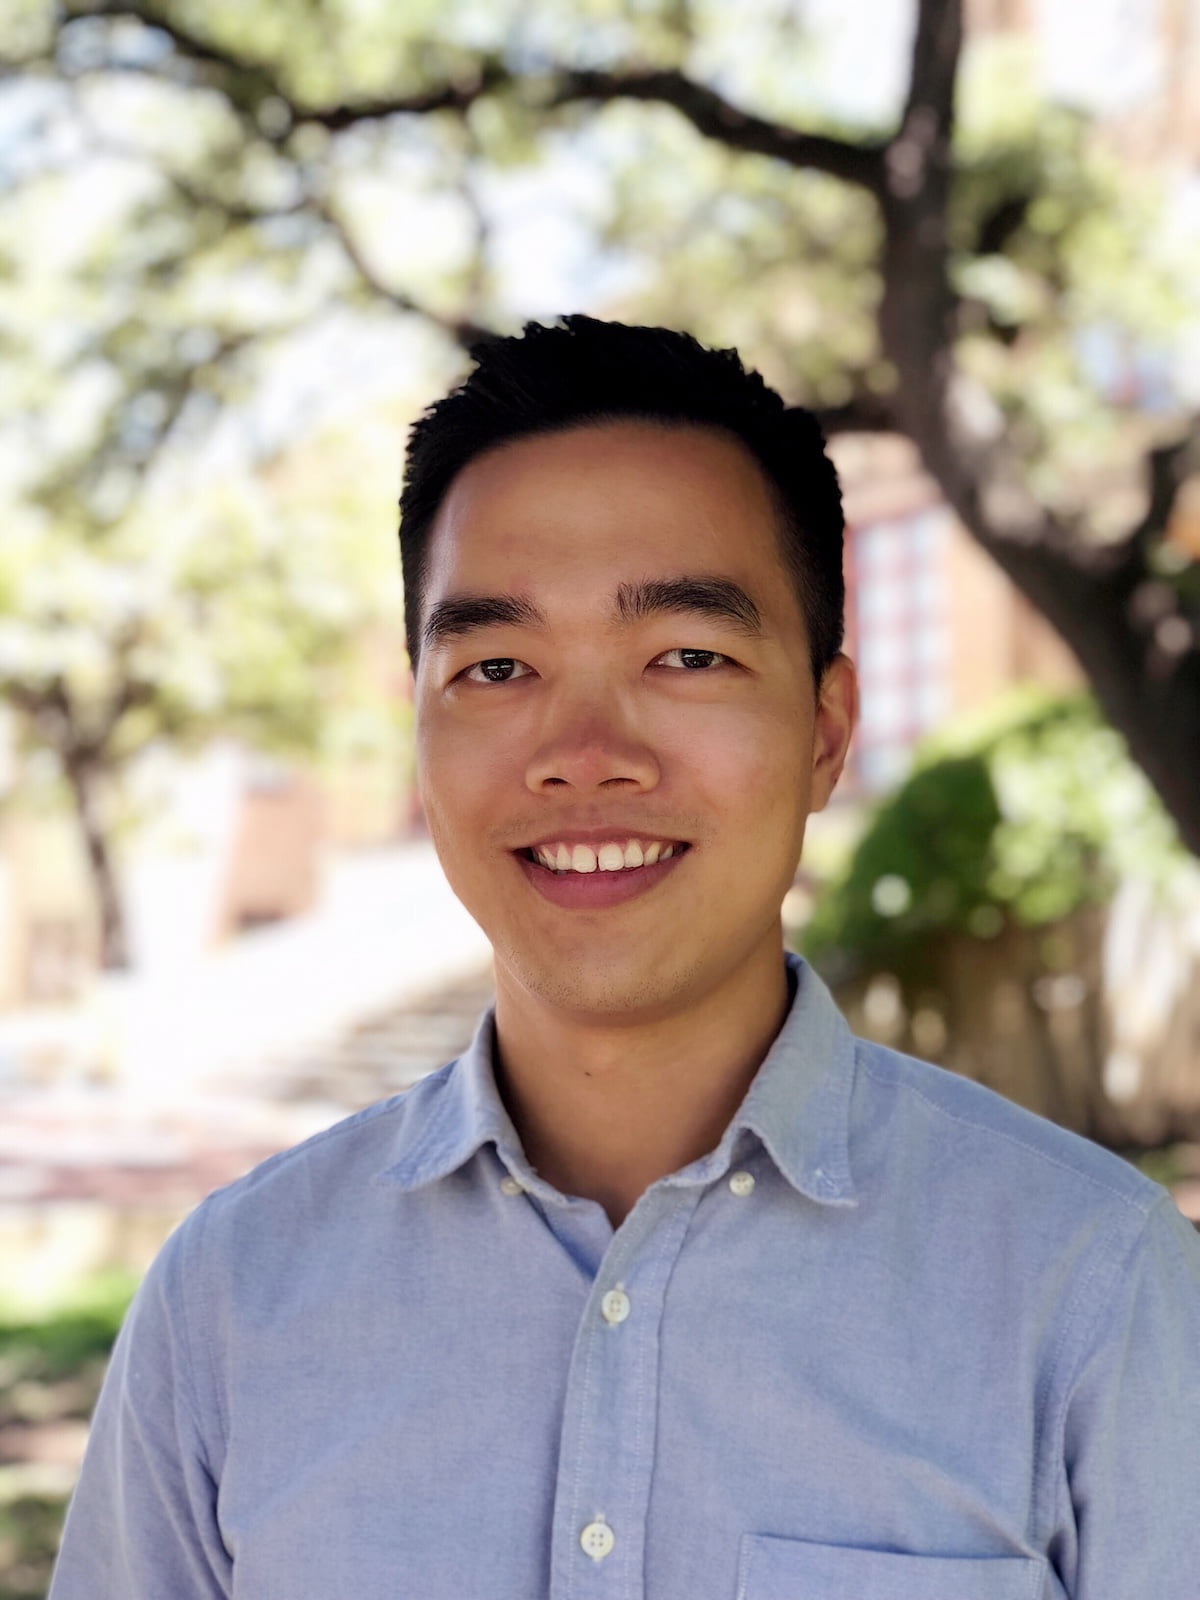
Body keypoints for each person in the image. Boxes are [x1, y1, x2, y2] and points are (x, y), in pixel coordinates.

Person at [51, 315, 1200, 1600]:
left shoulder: (1094, 1290)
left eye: (687, 656)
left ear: (827, 730)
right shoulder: (227, 1303)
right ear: (418, 734)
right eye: (496, 664)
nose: (585, 751)